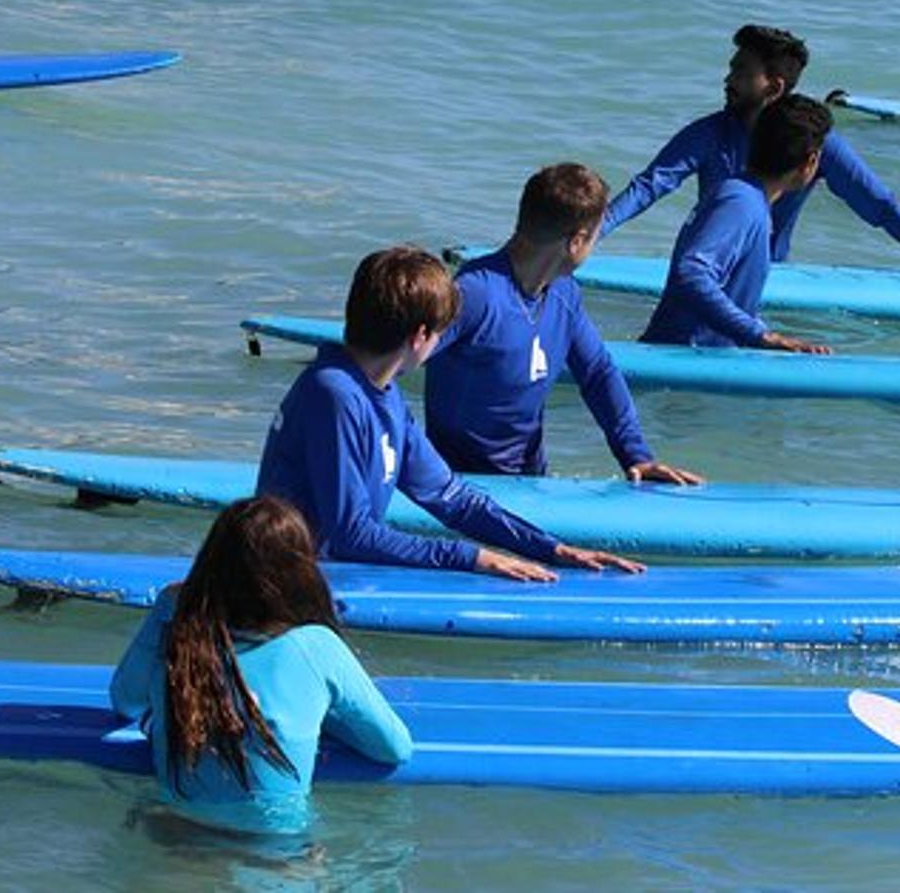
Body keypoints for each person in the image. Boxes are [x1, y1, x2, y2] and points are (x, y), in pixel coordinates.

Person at [256, 245, 645, 582]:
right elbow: (351, 534)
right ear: (420, 337)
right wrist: (470, 557)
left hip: (325, 569)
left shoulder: (382, 391)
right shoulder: (335, 394)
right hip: (280, 582)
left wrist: (552, 549)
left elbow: (450, 496)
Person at [109, 496, 411, 836]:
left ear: (210, 561)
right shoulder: (317, 647)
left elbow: (126, 700)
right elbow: (394, 748)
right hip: (272, 855)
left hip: (171, 833)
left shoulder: (180, 633)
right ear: (301, 571)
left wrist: (169, 609)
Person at [604, 24, 900, 283]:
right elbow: (649, 187)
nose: (728, 80)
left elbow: (879, 205)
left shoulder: (814, 141)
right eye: (730, 69)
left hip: (768, 280)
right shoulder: (710, 133)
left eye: (741, 72)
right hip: (702, 272)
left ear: (774, 86)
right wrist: (591, 232)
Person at [425, 163, 701, 484]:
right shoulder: (475, 294)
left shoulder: (563, 293)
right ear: (577, 241)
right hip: (461, 486)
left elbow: (598, 373)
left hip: (530, 481)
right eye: (596, 236)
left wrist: (636, 456)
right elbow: (396, 361)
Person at [640, 94, 834, 353]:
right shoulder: (741, 202)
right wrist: (762, 336)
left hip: (701, 359)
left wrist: (764, 333)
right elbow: (692, 272)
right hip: (680, 362)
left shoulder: (747, 197)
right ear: (811, 162)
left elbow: (731, 296)